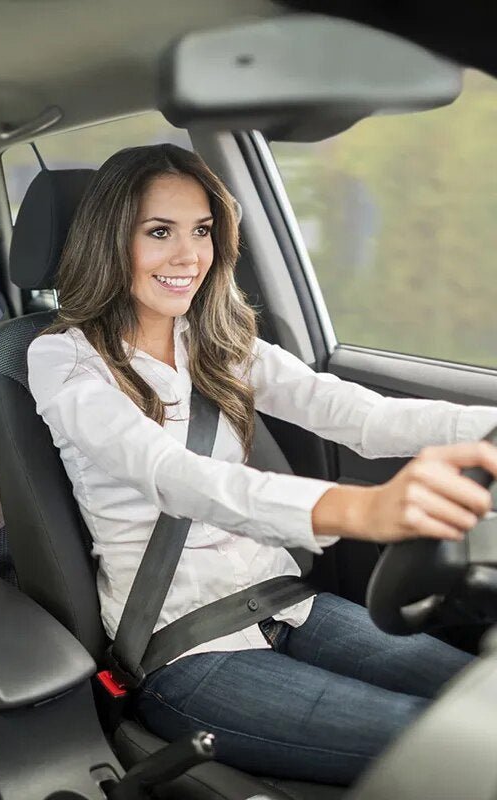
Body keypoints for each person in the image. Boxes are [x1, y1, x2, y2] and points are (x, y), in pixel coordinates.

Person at [26, 144, 497, 785]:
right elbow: (172, 475)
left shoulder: (218, 338)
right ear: (110, 240)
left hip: (290, 603)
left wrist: (489, 429)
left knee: (482, 703)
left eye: (202, 231)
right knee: (460, 748)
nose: (188, 256)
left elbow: (363, 417)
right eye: (159, 232)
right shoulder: (63, 359)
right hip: (187, 649)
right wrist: (358, 508)